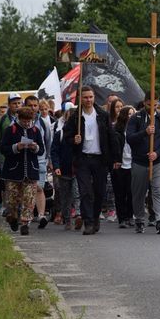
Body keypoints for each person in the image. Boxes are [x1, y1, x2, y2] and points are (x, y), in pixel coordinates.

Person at [63, 86, 121, 235]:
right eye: (85, 97)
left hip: (100, 158)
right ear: (80, 99)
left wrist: (116, 157)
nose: (88, 100)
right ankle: (88, 221)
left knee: (99, 192)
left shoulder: (102, 114)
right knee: (85, 191)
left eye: (90, 97)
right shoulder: (75, 117)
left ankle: (95, 218)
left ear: (94, 97)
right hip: (83, 159)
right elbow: (66, 137)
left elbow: (111, 136)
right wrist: (73, 140)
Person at [126, 91, 160, 234]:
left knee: (158, 190)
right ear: (145, 102)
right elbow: (130, 138)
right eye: (149, 104)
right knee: (139, 192)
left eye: (155, 104)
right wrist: (144, 132)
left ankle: (159, 219)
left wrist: (157, 153)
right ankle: (139, 218)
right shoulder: (135, 118)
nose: (152, 107)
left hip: (158, 162)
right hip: (139, 162)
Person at [1, 106, 45, 235]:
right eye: (24, 121)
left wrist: (35, 147)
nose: (26, 123)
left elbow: (41, 150)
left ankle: (25, 223)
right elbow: (3, 148)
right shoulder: (11, 130)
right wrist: (16, 147)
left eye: (28, 121)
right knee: (12, 200)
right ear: (19, 118)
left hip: (31, 170)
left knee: (29, 198)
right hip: (13, 171)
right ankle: (13, 217)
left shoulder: (35, 130)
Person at [50, 108, 82, 230]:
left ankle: (79, 214)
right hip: (63, 170)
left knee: (77, 193)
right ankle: (67, 219)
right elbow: (54, 152)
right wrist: (56, 166)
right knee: (65, 195)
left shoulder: (80, 134)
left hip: (77, 170)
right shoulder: (60, 134)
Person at [25, 95, 52, 229]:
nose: (33, 108)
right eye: (30, 105)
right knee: (27, 189)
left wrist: (49, 160)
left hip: (40, 160)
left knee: (38, 187)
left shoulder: (43, 123)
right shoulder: (17, 123)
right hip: (23, 160)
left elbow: (48, 142)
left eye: (35, 105)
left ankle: (41, 215)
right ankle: (26, 214)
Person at [111, 105, 135, 228]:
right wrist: (115, 160)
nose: (131, 116)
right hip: (120, 164)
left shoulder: (136, 129)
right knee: (120, 193)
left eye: (133, 114)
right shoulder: (117, 130)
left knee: (131, 192)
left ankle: (130, 215)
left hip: (133, 163)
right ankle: (122, 218)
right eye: (129, 114)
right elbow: (114, 147)